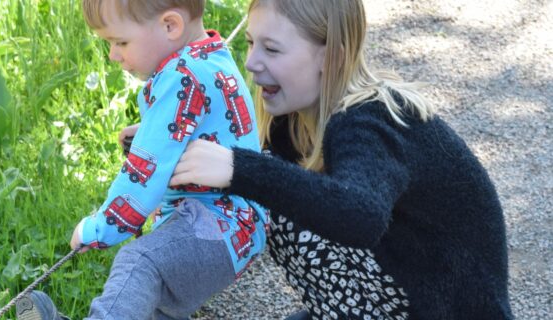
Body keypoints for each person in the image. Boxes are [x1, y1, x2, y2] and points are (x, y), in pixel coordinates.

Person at [166, 0, 514, 319]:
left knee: (273, 183)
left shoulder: (373, 121)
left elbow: (359, 216)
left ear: (331, 57)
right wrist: (172, 145)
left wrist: (237, 167)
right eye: (250, 43)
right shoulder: (290, 120)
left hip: (443, 311)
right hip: (375, 307)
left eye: (271, 49)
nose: (251, 62)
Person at [15, 0, 269, 319]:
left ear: (170, 26)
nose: (113, 55)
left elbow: (144, 175)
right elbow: (203, 126)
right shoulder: (207, 57)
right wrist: (150, 128)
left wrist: (100, 227)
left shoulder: (183, 76)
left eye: (120, 42)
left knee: (141, 261)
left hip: (218, 223)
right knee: (154, 301)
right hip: (231, 225)